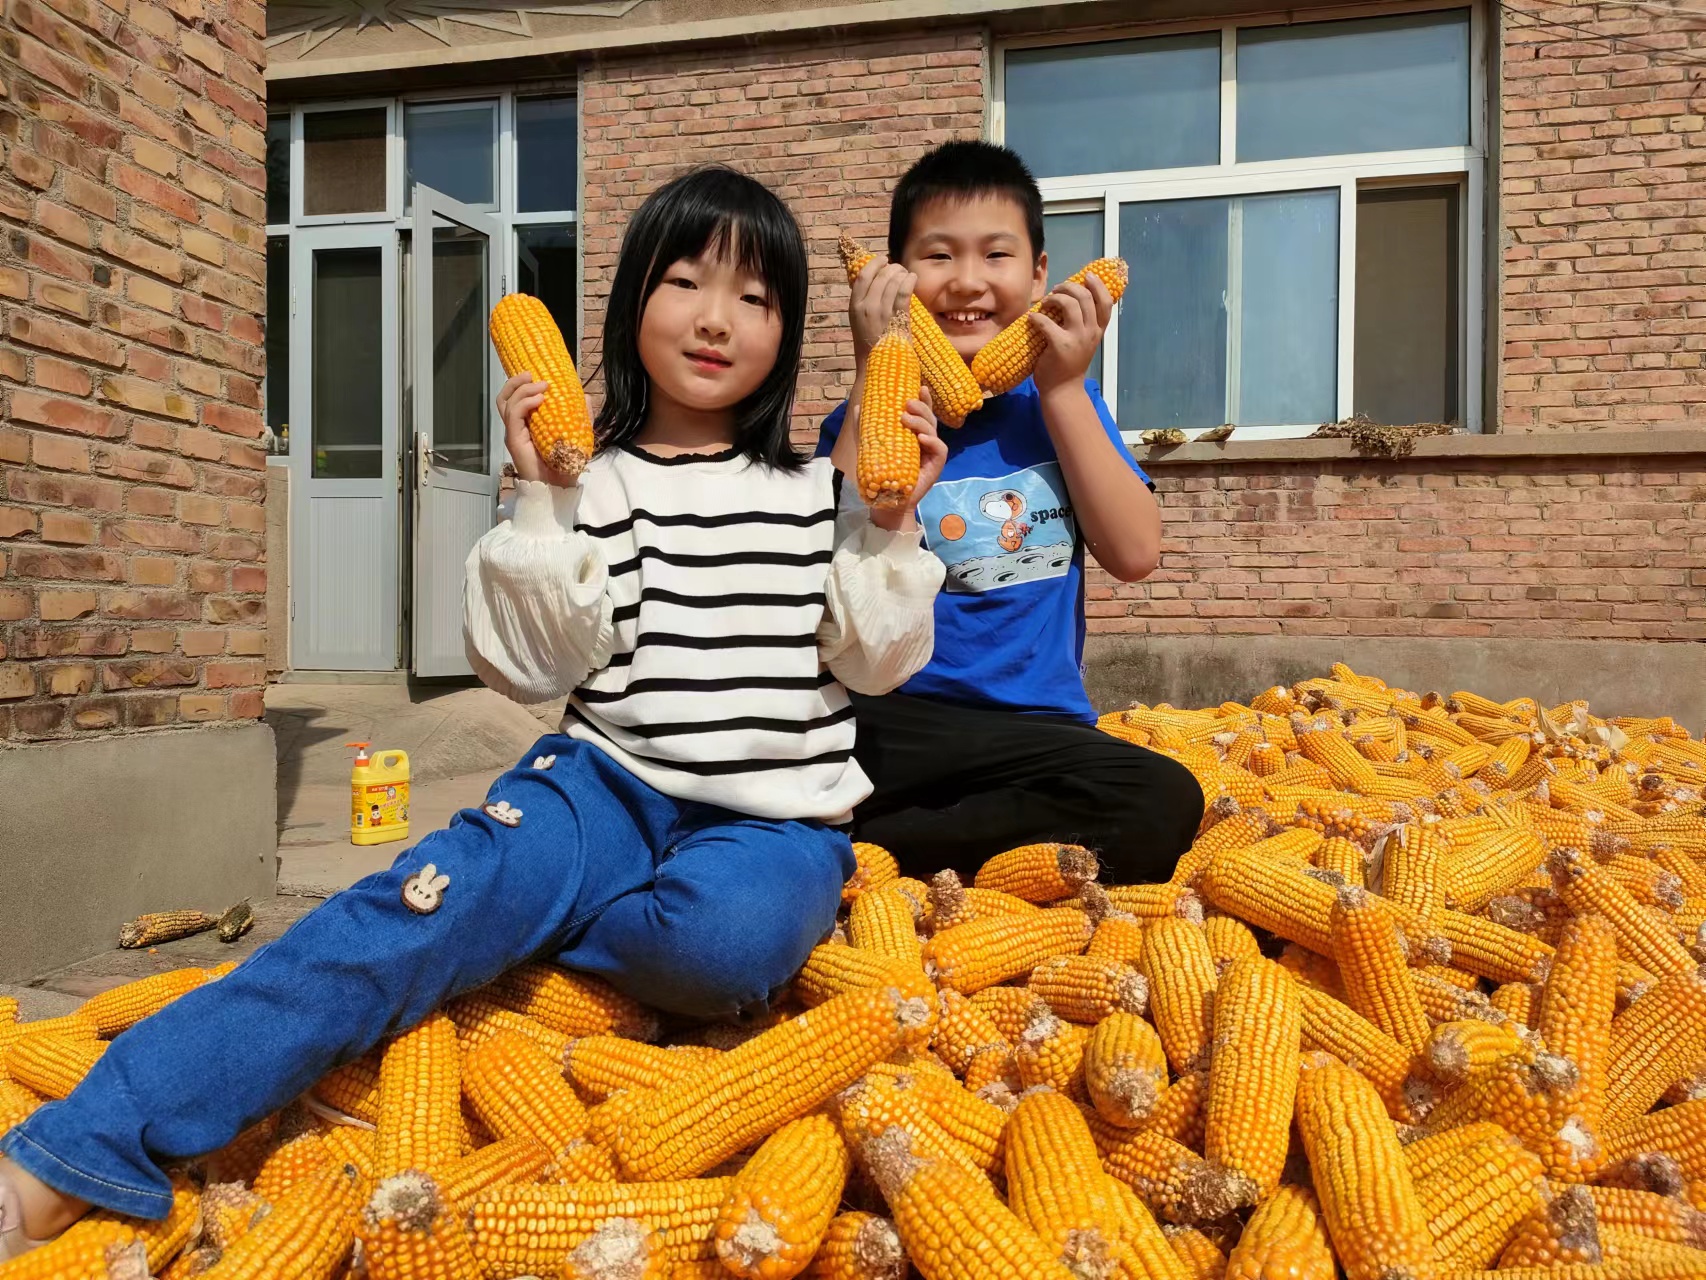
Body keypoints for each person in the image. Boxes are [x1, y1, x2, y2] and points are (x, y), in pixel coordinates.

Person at [0, 165, 946, 1248]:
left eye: (754, 297)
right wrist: (538, 495)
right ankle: (81, 1145)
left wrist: (889, 524)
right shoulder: (590, 485)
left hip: (772, 820)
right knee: (400, 914)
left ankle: (521, 925)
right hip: (602, 788)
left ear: (786, 332)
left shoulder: (813, 497)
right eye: (685, 280)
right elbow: (529, 665)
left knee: (725, 945)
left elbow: (877, 665)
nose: (714, 319)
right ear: (631, 297)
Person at [819, 140, 1203, 884]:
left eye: (996, 256)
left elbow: (1135, 553)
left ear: (1037, 275)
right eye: (937, 257)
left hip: (1034, 727)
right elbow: (818, 568)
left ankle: (878, 849)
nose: (967, 282)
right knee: (800, 748)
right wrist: (876, 372)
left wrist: (1062, 390)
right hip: (901, 720)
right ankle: (933, 847)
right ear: (896, 276)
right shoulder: (862, 415)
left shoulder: (1065, 404)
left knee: (1162, 800)